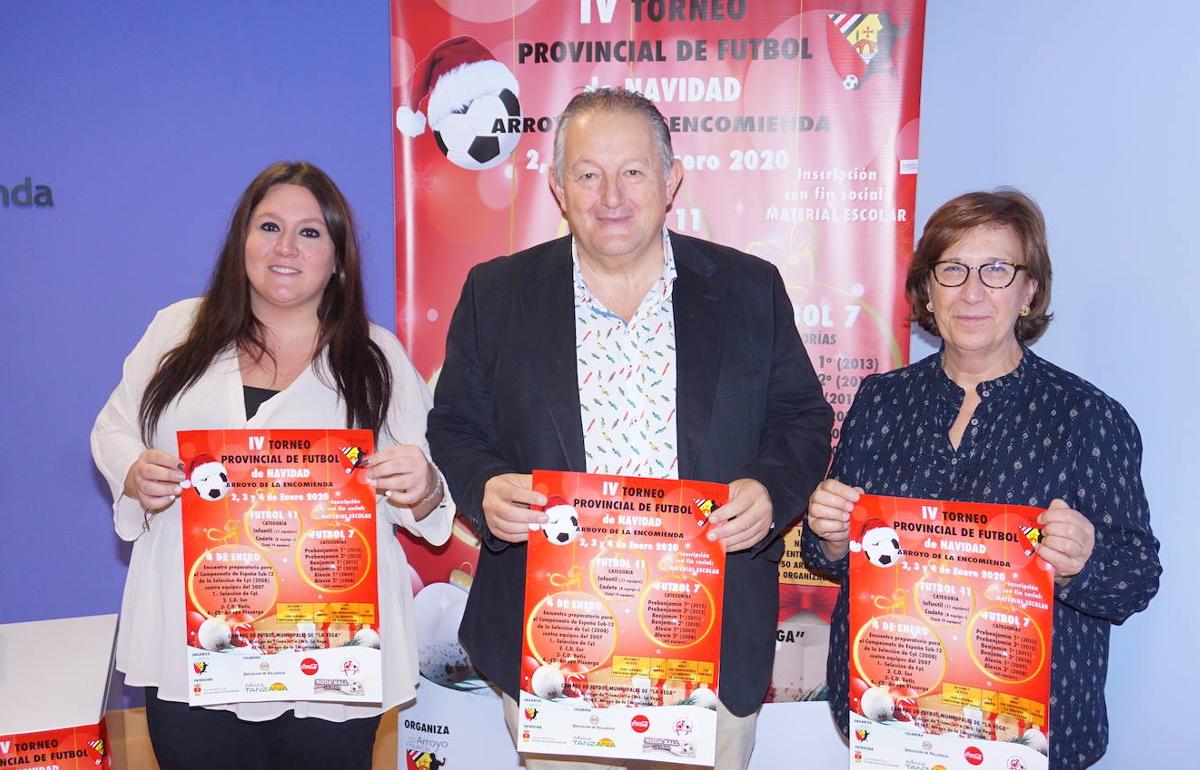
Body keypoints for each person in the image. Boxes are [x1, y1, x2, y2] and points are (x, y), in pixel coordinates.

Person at [427, 87, 833, 770]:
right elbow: (455, 425)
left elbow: (802, 419)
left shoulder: (748, 289)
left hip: (707, 642)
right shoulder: (496, 294)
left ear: (671, 179)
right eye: (588, 173)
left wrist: (768, 493)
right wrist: (484, 486)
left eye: (633, 171)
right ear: (557, 187)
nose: (610, 195)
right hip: (551, 644)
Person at [90, 161, 452, 770]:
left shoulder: (376, 356)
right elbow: (113, 429)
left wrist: (423, 483)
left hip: (328, 648)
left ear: (337, 257)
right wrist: (134, 473)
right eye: (269, 227)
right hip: (195, 635)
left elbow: (427, 494)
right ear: (241, 243)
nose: (286, 247)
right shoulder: (177, 330)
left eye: (310, 233)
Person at [802, 189, 1161, 769]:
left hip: (1031, 732)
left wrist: (1085, 559)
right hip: (896, 723)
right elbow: (833, 557)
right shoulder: (880, 402)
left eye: (996, 270)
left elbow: (1136, 579)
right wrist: (830, 536)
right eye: (952, 270)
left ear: (1030, 291)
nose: (972, 292)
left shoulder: (1088, 418)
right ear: (927, 289)